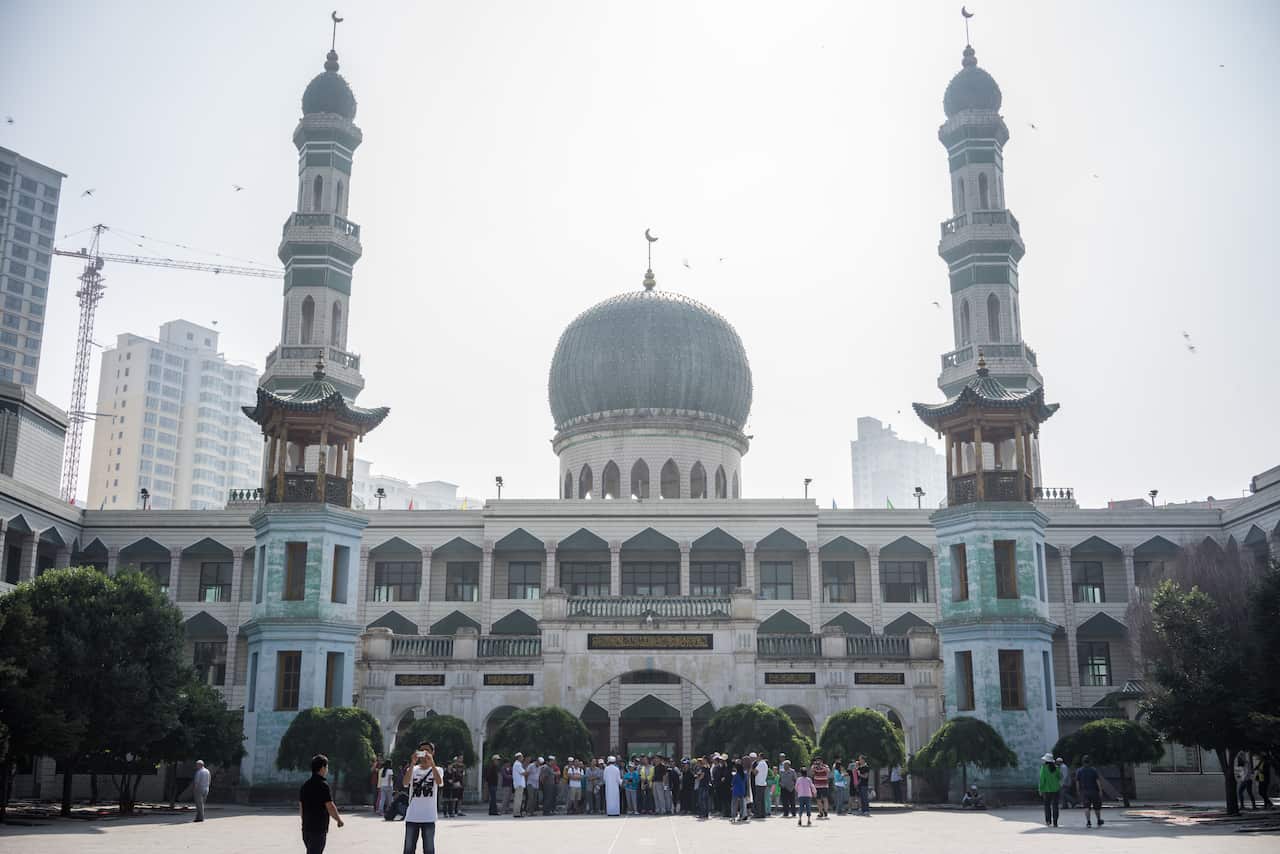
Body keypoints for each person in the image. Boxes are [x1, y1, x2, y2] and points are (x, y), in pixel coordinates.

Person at [299, 754, 344, 854]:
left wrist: (304, 822)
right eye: (327, 767)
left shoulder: (305, 786)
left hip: (306, 829)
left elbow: (301, 807)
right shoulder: (323, 786)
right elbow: (330, 806)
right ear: (322, 768)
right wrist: (339, 820)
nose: (327, 770)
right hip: (318, 829)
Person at [402, 745, 443, 854]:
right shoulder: (413, 769)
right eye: (421, 750)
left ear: (432, 753)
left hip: (429, 816)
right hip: (412, 816)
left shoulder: (438, 769)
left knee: (429, 849)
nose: (424, 753)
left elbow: (439, 782)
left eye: (427, 750)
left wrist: (432, 763)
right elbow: (405, 783)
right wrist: (412, 763)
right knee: (408, 849)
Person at [1075, 755, 1105, 828]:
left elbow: (1077, 782)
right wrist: (1100, 790)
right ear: (1090, 762)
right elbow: (1097, 781)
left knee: (1086, 807)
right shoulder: (1093, 770)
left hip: (1084, 792)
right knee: (1097, 807)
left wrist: (1078, 791)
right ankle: (1098, 820)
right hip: (1094, 791)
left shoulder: (1079, 771)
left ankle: (1088, 822)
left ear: (1082, 762)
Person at [1038, 752, 1061, 827]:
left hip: (1046, 790)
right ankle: (1055, 822)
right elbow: (1060, 777)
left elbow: (1042, 779)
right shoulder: (1056, 768)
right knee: (1055, 806)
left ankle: (1048, 821)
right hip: (1056, 789)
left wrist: (1040, 789)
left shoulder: (1043, 768)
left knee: (1047, 806)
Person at [752, 752, 769, 819]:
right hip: (763, 783)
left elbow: (755, 772)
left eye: (758, 756)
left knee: (758, 800)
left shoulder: (760, 763)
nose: (757, 758)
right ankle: (762, 813)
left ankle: (758, 814)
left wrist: (751, 769)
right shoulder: (765, 764)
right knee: (762, 800)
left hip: (759, 783)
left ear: (761, 757)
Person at [511, 752, 526, 818]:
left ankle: (517, 812)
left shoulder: (517, 764)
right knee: (518, 799)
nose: (523, 758)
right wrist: (529, 771)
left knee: (518, 799)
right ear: (519, 757)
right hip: (519, 784)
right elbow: (523, 773)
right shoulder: (518, 764)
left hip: (519, 784)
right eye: (522, 757)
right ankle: (517, 813)